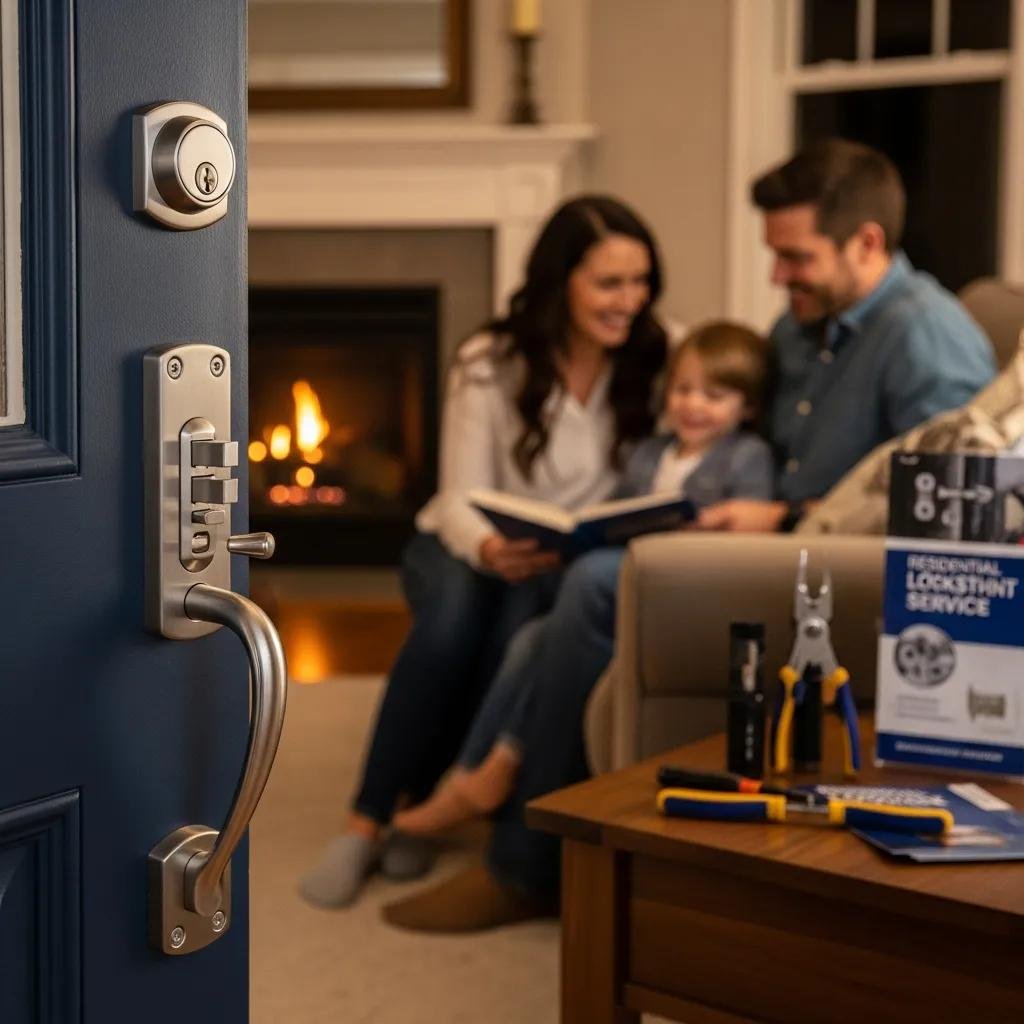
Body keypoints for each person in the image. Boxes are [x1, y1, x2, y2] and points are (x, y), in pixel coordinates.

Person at [380, 138, 997, 933]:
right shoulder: (805, 326)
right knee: (545, 621)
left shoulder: (923, 337)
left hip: (832, 573)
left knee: (600, 581)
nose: (777, 278)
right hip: (760, 539)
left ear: (867, 243)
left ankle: (519, 864)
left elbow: (952, 512)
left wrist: (786, 516)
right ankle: (491, 789)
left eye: (794, 257)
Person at [300, 195, 669, 908]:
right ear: (561, 281)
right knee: (451, 623)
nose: (631, 301)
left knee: (519, 624)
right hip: (463, 540)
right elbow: (459, 495)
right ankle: (366, 821)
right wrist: (492, 546)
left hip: (562, 557)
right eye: (610, 283)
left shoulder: (659, 357)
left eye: (641, 281)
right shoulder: (489, 361)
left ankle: (432, 806)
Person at [393, 320, 774, 836]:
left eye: (715, 395)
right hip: (623, 576)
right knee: (528, 640)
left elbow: (748, 533)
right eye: (683, 389)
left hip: (673, 584)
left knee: (541, 623)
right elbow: (619, 513)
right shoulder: (650, 453)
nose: (693, 405)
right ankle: (481, 767)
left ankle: (480, 776)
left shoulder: (748, 457)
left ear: (747, 407)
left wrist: (715, 523)